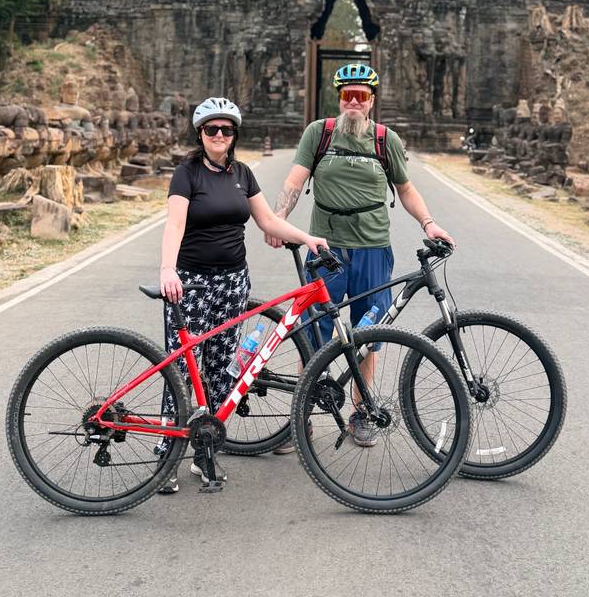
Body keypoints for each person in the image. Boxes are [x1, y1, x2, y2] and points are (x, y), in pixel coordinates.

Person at [266, 63, 454, 452]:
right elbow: (296, 180)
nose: (353, 102)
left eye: (361, 96)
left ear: (371, 102)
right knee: (312, 334)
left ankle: (362, 412)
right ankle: (299, 418)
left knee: (369, 333)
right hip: (325, 249)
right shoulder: (319, 133)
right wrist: (277, 218)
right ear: (339, 99)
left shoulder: (386, 140)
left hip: (373, 248)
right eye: (347, 95)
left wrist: (429, 223)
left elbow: (405, 189)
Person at [158, 96, 329, 493]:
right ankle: (168, 457)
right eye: (211, 130)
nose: (219, 136)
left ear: (234, 135)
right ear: (200, 135)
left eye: (226, 130)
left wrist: (306, 238)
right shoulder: (187, 173)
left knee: (220, 369)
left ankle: (204, 453)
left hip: (233, 282)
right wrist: (168, 269)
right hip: (191, 283)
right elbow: (174, 225)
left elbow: (267, 220)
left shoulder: (243, 174)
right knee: (182, 370)